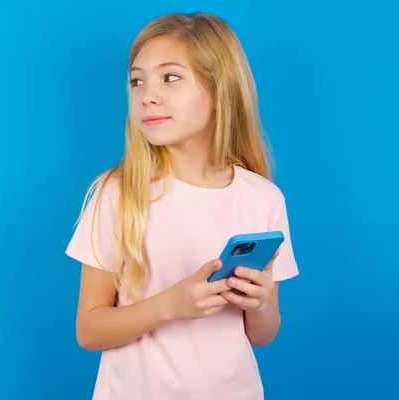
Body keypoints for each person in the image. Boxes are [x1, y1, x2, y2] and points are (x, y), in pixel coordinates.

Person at [65, 11, 299, 400]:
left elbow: (263, 334)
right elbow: (89, 331)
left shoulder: (263, 198)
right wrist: (169, 306)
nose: (147, 95)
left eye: (170, 78)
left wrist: (258, 305)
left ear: (219, 89)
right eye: (137, 81)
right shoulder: (118, 194)